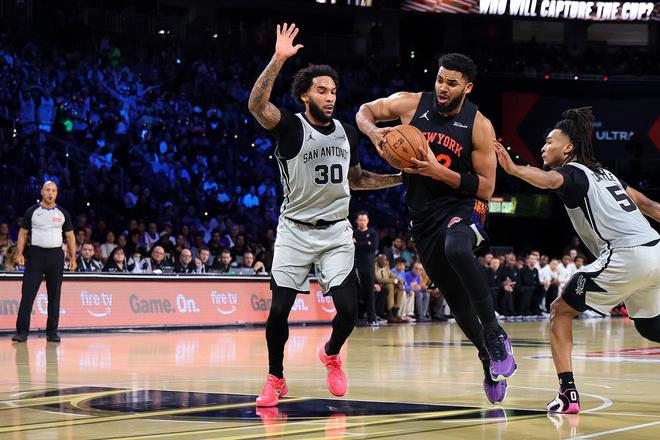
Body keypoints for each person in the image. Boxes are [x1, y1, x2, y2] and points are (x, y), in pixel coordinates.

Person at [248, 23, 401, 407]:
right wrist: (278, 59)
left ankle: (331, 353)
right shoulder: (290, 127)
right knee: (278, 312)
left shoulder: (348, 133)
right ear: (305, 95)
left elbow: (357, 179)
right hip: (295, 231)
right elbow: (256, 106)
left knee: (349, 310)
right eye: (321, 90)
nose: (330, 97)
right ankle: (275, 377)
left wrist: (399, 178)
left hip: (334, 233)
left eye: (333, 91)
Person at [356, 52, 516, 404]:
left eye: (452, 83)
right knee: (456, 299)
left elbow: (487, 188)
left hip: (464, 205)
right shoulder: (411, 104)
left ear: (467, 88)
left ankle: (495, 333)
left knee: (456, 247)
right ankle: (487, 357)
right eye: (440, 79)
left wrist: (437, 171)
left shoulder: (479, 125)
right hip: (423, 216)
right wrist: (374, 133)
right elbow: (364, 111)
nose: (443, 87)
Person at [494, 107, 660, 414]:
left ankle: (567, 394)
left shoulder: (573, 173)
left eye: (550, 141)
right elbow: (650, 206)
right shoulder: (607, 175)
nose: (543, 147)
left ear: (568, 148)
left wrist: (514, 169)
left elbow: (548, 181)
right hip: (656, 251)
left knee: (560, 311)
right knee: (651, 328)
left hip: (627, 254)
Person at [12, 181, 77, 343]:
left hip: (55, 256)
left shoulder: (63, 213)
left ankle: (52, 332)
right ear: (42, 191)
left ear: (57, 193)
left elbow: (70, 237)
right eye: (47, 190)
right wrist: (19, 253)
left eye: (53, 190)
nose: (50, 193)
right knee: (28, 294)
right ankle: (22, 332)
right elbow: (23, 234)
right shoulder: (32, 211)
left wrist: (73, 257)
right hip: (35, 255)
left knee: (54, 295)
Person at [353, 211, 380, 326]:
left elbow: (373, 247)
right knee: (355, 294)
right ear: (357, 221)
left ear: (367, 220)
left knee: (370, 293)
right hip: (356, 268)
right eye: (360, 220)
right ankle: (354, 319)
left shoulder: (373, 233)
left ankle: (372, 318)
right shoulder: (353, 232)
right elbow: (351, 247)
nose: (362, 222)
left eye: (364, 220)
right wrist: (366, 243)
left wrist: (358, 243)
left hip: (369, 268)